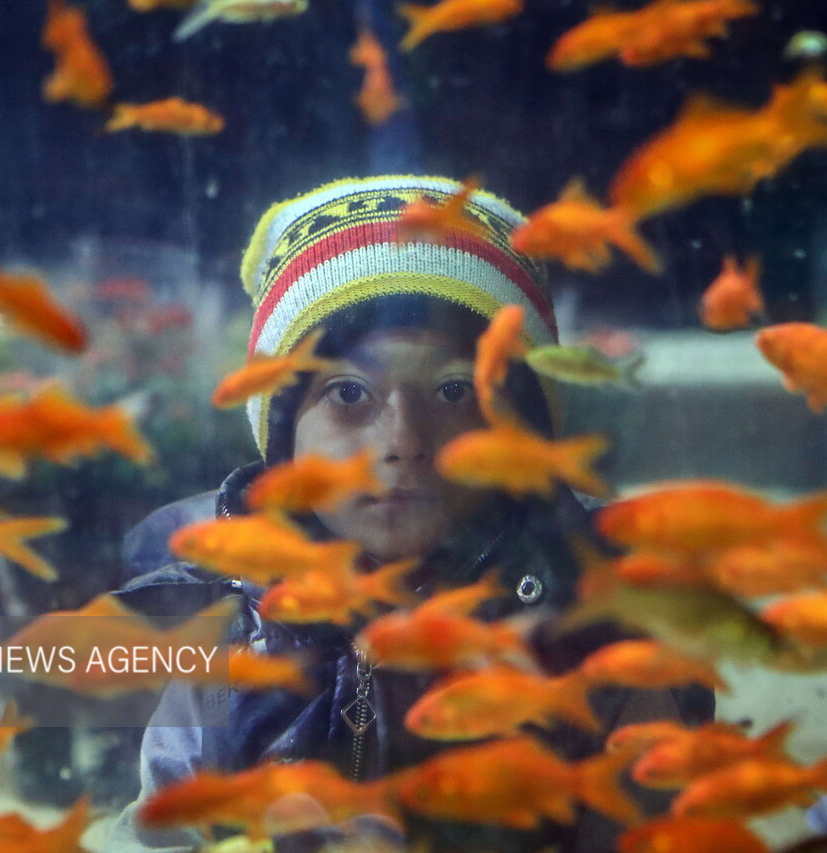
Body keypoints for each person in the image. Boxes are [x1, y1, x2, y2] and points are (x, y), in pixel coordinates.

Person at [107, 175, 712, 852]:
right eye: (348, 393)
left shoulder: (603, 636)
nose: (402, 441)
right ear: (282, 439)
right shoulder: (230, 640)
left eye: (453, 389)